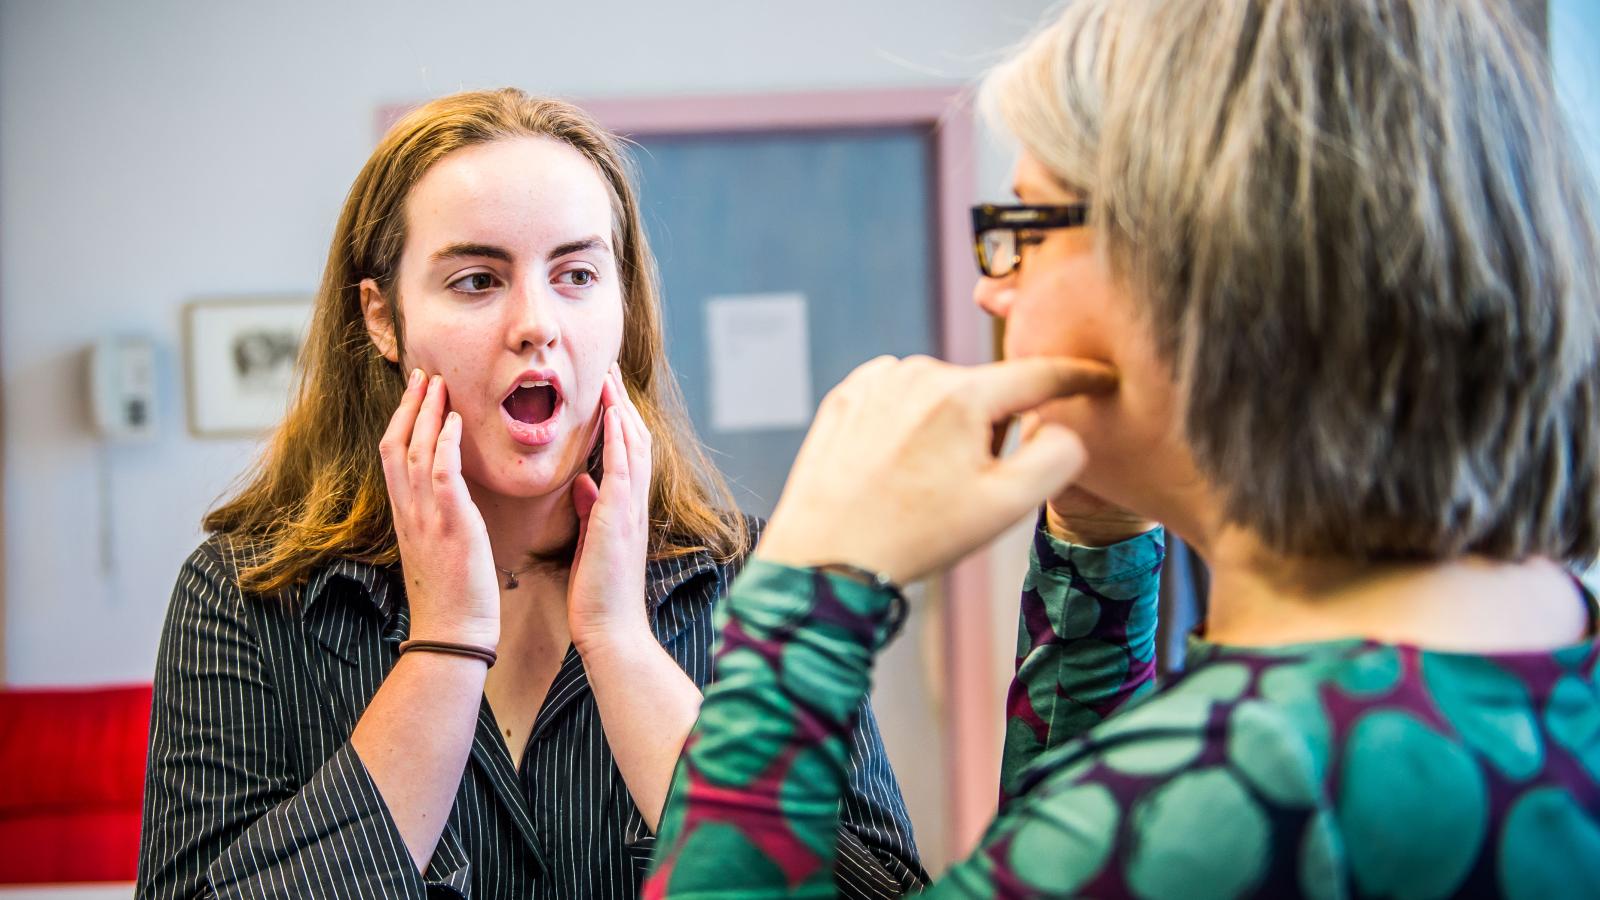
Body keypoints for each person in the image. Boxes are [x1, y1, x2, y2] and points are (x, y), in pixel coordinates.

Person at [645, 0, 1600, 896]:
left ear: (1221, 261)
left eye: (1026, 225)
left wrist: (809, 593)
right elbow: (1076, 826)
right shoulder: (1534, 661)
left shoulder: (1244, 791)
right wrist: (1095, 550)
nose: (992, 288)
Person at [136, 89, 923, 900]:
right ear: (382, 317)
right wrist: (445, 645)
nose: (536, 323)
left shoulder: (761, 577)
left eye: (577, 274)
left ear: (624, 307)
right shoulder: (243, 595)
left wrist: (622, 645)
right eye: (477, 280)